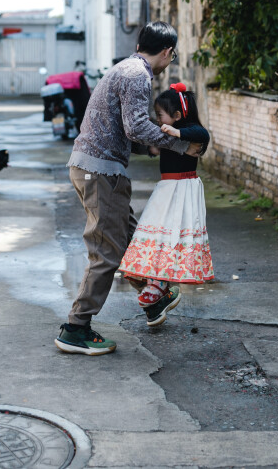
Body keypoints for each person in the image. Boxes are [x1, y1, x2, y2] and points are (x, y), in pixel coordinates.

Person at [55, 21, 204, 356]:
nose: (170, 61)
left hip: (96, 167)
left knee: (134, 241)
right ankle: (76, 328)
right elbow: (136, 126)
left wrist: (151, 147)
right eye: (173, 55)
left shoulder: (124, 68)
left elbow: (122, 128)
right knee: (106, 252)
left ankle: (154, 297)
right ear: (167, 52)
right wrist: (181, 146)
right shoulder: (138, 75)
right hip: (100, 172)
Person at [118, 83, 213, 327]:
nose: (158, 118)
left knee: (169, 239)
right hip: (166, 189)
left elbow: (203, 135)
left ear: (178, 116)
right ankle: (158, 289)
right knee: (152, 234)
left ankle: (158, 284)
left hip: (182, 190)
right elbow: (150, 145)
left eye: (160, 114)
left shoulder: (190, 132)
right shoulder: (164, 132)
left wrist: (176, 133)